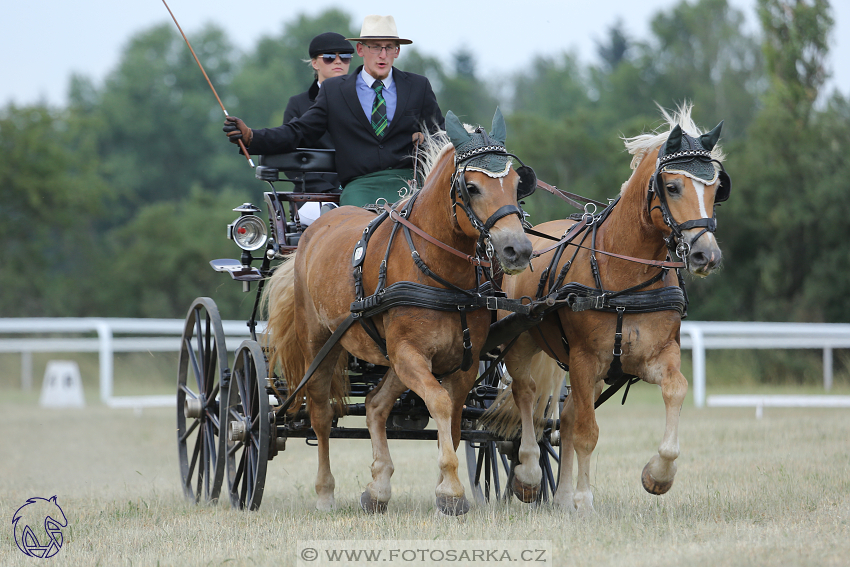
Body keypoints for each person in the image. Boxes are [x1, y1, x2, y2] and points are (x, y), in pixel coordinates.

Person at [224, 15, 445, 207]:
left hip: (409, 184)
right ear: (360, 49)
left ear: (397, 51)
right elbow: (299, 131)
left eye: (390, 48)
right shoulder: (334, 91)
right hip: (360, 186)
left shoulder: (418, 86)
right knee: (355, 239)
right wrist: (252, 136)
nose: (383, 55)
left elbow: (441, 137)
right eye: (375, 47)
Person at [282, 32, 354, 197]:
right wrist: (327, 191)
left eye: (345, 57)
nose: (338, 61)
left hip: (358, 191)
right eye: (329, 57)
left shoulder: (365, 101)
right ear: (315, 63)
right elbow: (291, 159)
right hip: (314, 195)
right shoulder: (297, 104)